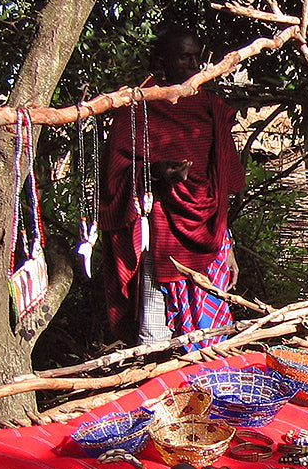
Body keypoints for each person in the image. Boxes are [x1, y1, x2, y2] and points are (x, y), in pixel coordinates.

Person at [99, 26, 245, 344]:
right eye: (183, 57)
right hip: (159, 228)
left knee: (212, 330)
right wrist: (154, 172)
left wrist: (228, 244)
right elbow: (115, 175)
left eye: (197, 56)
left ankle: (206, 389)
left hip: (210, 236)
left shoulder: (211, 109)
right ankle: (163, 388)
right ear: (162, 61)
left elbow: (223, 184)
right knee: (154, 330)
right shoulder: (139, 109)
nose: (193, 65)